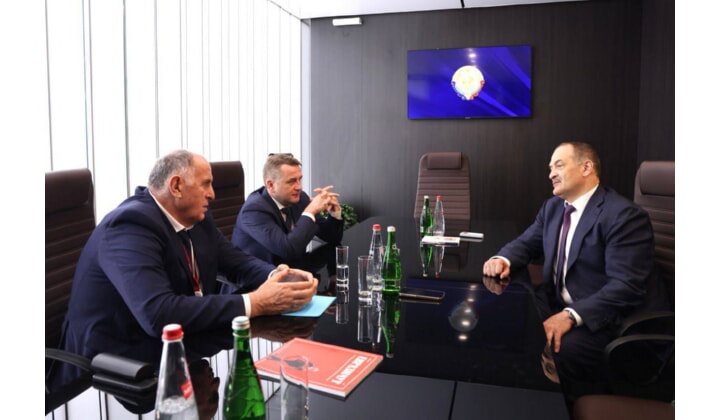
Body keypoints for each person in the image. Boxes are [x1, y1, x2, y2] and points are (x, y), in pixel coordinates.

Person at [59, 150, 318, 362]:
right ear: (176, 186)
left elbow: (236, 261)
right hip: (113, 362)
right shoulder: (130, 226)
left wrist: (280, 275)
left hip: (181, 343)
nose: (213, 194)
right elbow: (157, 313)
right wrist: (256, 302)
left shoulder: (197, 218)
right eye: (206, 184)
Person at [482, 142, 654, 396]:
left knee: (560, 349)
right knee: (501, 316)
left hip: (600, 317)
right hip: (555, 300)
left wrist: (571, 315)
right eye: (550, 168)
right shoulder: (553, 207)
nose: (551, 174)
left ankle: (561, 404)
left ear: (586, 167)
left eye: (559, 165)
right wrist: (503, 259)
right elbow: (526, 243)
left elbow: (626, 286)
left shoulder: (623, 215)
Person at [232, 153, 344, 272]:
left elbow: (332, 237)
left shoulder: (300, 198)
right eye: (291, 181)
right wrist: (310, 211)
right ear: (271, 185)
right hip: (260, 276)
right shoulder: (254, 211)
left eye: (299, 179)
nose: (299, 187)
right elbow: (288, 250)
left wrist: (335, 213)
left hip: (292, 270)